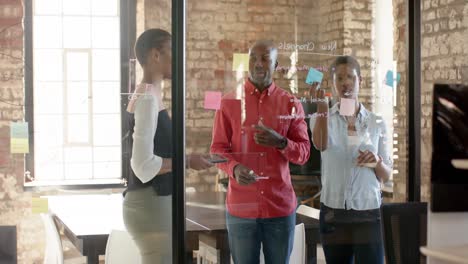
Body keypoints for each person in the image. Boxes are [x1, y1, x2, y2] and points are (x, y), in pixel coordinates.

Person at [210, 40, 310, 264]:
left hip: (279, 208)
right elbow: (217, 150)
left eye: (265, 58)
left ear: (276, 65)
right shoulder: (228, 102)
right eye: (253, 58)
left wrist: (281, 142)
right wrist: (234, 169)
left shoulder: (291, 103)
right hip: (241, 209)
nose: (258, 63)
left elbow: (303, 153)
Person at [122, 28, 213, 264]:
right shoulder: (148, 98)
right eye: (172, 50)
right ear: (155, 55)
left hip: (149, 203)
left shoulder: (146, 95)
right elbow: (142, 165)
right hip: (151, 203)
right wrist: (187, 162)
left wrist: (188, 158)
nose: (178, 57)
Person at [309, 55, 393, 264]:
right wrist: (321, 110)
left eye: (351, 78)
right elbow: (320, 145)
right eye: (339, 78)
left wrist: (377, 162)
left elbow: (387, 175)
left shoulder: (376, 123)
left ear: (360, 81)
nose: (345, 83)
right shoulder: (321, 118)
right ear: (332, 83)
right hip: (333, 213)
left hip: (368, 212)